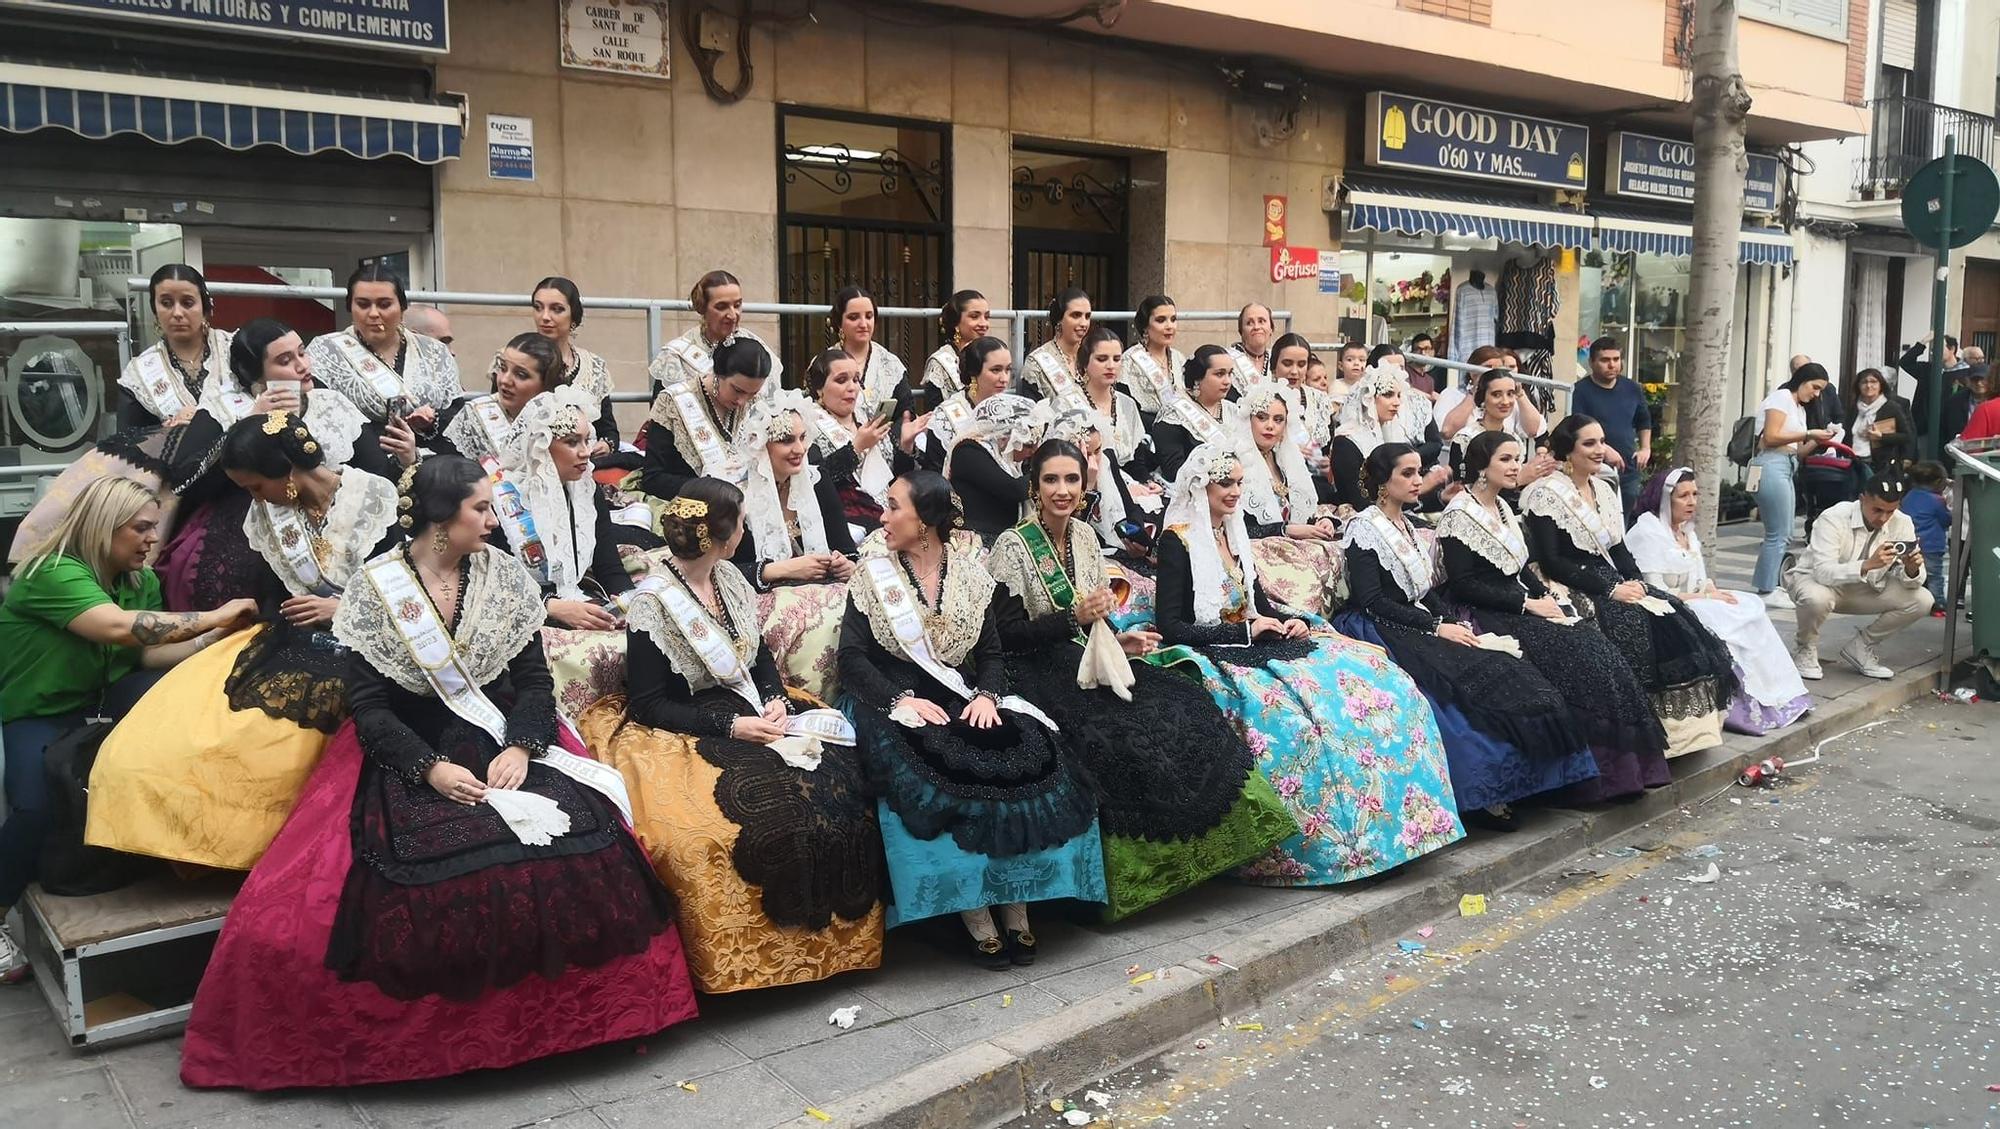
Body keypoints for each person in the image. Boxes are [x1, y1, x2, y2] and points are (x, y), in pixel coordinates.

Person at [179, 456, 697, 1089]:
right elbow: (367, 707)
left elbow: (534, 679)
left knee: (581, 853)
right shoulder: (376, 589)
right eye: (481, 507)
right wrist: (429, 771)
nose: (492, 517)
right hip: (409, 745)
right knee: (428, 883)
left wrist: (525, 746)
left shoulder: (505, 575)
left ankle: (581, 1026)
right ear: (441, 517)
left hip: (503, 736)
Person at [577, 477, 884, 992]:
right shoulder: (653, 603)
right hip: (686, 722)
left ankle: (833, 949)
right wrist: (731, 724)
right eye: (741, 520)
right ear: (726, 534)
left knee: (839, 787)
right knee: (765, 809)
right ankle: (766, 961)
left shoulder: (731, 580)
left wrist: (777, 700)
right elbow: (650, 703)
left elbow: (760, 655)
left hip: (753, 708)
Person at [988, 440, 1296, 919]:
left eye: (1072, 479)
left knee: (1181, 698)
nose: (1063, 490)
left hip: (1091, 654)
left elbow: (1097, 621)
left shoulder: (1087, 538)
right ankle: (1132, 880)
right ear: (1034, 486)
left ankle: (1212, 853)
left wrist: (1119, 640)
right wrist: (1072, 619)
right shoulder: (1013, 545)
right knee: (1111, 732)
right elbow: (1005, 635)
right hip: (1035, 666)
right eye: (1051, 480)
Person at [86, 414, 404, 872]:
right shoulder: (268, 514)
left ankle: (246, 849)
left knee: (265, 740)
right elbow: (275, 593)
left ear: (288, 474)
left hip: (367, 645)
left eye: (257, 487)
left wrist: (343, 612)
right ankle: (187, 845)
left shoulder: (376, 498)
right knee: (188, 725)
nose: (256, 499)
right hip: (288, 640)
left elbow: (407, 589)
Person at [1152, 441, 1462, 884]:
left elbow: (1257, 604)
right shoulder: (1176, 540)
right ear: (1200, 486)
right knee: (1304, 721)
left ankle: (1400, 832)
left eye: (1240, 482)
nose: (1235, 491)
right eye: (1225, 483)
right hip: (1214, 651)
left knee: (1375, 678)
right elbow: (1172, 626)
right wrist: (1245, 632)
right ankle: (1339, 849)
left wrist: (1288, 621)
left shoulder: (1233, 531)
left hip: (1253, 639)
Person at [837, 471, 1106, 967]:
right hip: (891, 698)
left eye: (894, 507)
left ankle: (1017, 903)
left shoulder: (970, 574)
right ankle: (974, 913)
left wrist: (987, 696)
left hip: (962, 695)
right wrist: (900, 701)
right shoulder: (872, 574)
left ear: (926, 521)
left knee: (1030, 752)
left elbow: (990, 653)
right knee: (937, 775)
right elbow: (851, 659)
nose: (883, 516)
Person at [0, 478, 257, 980]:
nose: (151, 540)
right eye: (140, 528)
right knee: (35, 805)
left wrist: (224, 639)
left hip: (97, 706)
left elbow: (145, 652)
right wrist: (211, 615)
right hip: (38, 712)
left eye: (154, 528)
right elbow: (118, 627)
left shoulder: (140, 583)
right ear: (102, 527)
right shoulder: (50, 572)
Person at [1335, 443, 1595, 830]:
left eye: (1419, 471)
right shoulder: (1365, 528)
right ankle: (1486, 796)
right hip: (1383, 626)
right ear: (1383, 483)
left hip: (1418, 618)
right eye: (1406, 473)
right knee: (1454, 693)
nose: (1417, 480)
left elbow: (1426, 590)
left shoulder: (1407, 524)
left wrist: (1448, 621)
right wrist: (1436, 627)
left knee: (1503, 666)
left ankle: (1538, 781)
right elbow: (1372, 600)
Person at [1437, 432, 1670, 803]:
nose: (1517, 466)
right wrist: (1527, 604)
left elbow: (1519, 566)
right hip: (1486, 610)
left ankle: (1626, 772)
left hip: (1519, 601)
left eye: (1517, 458)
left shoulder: (1501, 509)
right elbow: (1464, 584)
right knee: (1569, 655)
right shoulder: (1459, 515)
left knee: (1595, 647)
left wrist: (1546, 595)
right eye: (1507, 459)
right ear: (1482, 467)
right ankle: (1589, 780)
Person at [1521, 416, 1738, 757]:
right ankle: (1640, 737)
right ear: (1568, 450)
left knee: (1671, 611)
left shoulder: (1604, 489)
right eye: (1589, 443)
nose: (1599, 450)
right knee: (1632, 623)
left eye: (1601, 441)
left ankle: (1686, 735)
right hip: (1566, 578)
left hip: (1605, 573)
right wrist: (1611, 591)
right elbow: (1551, 560)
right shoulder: (1545, 493)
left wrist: (1635, 581)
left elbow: (1618, 547)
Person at [154, 319, 400, 612]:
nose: (301, 365)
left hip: (332, 517)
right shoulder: (225, 406)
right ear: (255, 372)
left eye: (301, 352)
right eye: (285, 360)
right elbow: (185, 480)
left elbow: (375, 472)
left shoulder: (330, 402)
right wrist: (246, 423)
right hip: (247, 522)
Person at [1626, 468, 1813, 735]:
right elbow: (1655, 590)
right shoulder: (1647, 531)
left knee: (1748, 607)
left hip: (1693, 600)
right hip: (1663, 608)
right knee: (1720, 616)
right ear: (1665, 499)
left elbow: (1701, 579)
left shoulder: (1686, 533)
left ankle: (1780, 696)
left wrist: (1711, 590)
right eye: (1683, 496)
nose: (1691, 501)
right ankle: (1749, 706)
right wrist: (1706, 596)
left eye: (1695, 494)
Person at [731, 392, 860, 697]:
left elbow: (846, 547)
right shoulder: (738, 495)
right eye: (787, 440)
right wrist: (780, 569)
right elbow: (721, 572)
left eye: (803, 438)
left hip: (823, 589)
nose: (799, 449)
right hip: (761, 598)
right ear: (762, 445)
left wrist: (845, 564)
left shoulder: (815, 480)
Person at [492, 384, 647, 629]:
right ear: (540, 446)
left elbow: (608, 568)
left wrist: (628, 607)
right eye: (572, 442)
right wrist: (549, 606)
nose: (585, 452)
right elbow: (494, 586)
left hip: (581, 601)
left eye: (587, 440)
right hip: (524, 619)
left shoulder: (587, 491)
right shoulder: (500, 501)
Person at [1781, 472, 1934, 680]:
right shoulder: (1833, 517)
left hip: (1866, 588)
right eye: (1877, 510)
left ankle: (1861, 646)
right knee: (1817, 598)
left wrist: (1911, 569)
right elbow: (1824, 572)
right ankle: (1805, 648)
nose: (1883, 518)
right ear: (1862, 499)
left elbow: (1913, 581)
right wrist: (1868, 565)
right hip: (1817, 582)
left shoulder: (1902, 522)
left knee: (1923, 600)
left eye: (1890, 511)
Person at [306, 263, 461, 427]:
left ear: (402, 308)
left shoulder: (434, 351)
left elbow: (456, 414)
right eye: (363, 304)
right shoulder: (326, 351)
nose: (373, 314)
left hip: (429, 448)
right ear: (350, 307)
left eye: (384, 305)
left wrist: (432, 419)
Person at [640, 336, 770, 498]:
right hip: (691, 505)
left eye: (752, 394)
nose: (743, 401)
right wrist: (708, 487)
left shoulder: (755, 403)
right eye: (737, 390)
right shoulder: (672, 403)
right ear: (718, 372)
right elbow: (653, 479)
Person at [1749, 364, 1836, 606]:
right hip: (1771, 464)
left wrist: (1821, 439)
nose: (1816, 394)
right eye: (1814, 387)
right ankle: (1767, 590)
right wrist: (1809, 433)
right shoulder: (1781, 397)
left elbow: (1798, 452)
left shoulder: (1798, 408)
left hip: (1785, 465)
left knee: (1784, 532)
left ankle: (1770, 585)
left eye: (1820, 390)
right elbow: (1771, 437)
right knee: (1777, 533)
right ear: (1802, 379)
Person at [1072, 324, 1161, 543]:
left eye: (1116, 359)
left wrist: (1146, 481)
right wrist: (1127, 488)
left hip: (1128, 482)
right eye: (1102, 359)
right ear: (1085, 362)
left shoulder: (1127, 404)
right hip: (1091, 485)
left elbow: (1135, 459)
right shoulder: (1069, 404)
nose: (1110, 366)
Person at [118, 264, 234, 430]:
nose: (177, 313)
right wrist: (167, 432)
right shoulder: (139, 375)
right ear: (155, 310)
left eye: (187, 303)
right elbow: (127, 443)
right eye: (166, 303)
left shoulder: (233, 349)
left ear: (205, 307)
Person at [435, 332, 572, 463]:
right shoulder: (475, 415)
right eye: (503, 368)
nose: (505, 380)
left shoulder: (564, 420)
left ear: (546, 383)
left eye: (521, 375)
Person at [1329, 367, 1449, 512]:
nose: (1397, 402)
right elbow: (1362, 503)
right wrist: (1422, 487)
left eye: (1399, 395)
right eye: (1388, 395)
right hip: (1361, 519)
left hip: (1391, 516)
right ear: (1368, 398)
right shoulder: (1347, 442)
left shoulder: (1392, 435)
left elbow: (1398, 503)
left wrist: (1440, 496)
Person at [650, 268, 781, 399]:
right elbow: (661, 412)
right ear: (702, 307)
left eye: (737, 305)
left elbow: (772, 405)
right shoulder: (677, 356)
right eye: (721, 307)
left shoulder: (758, 349)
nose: (732, 315)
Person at [805, 346, 894, 531]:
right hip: (845, 520)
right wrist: (856, 448)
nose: (852, 387)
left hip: (885, 512)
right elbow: (814, 479)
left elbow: (892, 472)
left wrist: (907, 445)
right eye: (841, 380)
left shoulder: (864, 416)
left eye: (856, 379)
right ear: (820, 389)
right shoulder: (809, 422)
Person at [945, 393, 1048, 544]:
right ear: (1005, 435)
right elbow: (1014, 490)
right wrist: (1047, 470)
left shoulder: (1008, 460)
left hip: (1003, 537)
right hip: (978, 541)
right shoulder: (968, 451)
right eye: (1028, 445)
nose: (1033, 452)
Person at [530, 276, 619, 451]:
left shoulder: (593, 366)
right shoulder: (515, 361)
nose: (545, 317)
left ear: (573, 317)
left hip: (587, 463)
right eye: (538, 308)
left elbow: (608, 429)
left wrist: (606, 444)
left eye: (557, 309)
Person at [1569, 338, 1651, 514]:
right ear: (1591, 362)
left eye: (1616, 359)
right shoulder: (1580, 391)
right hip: (1595, 469)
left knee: (1624, 523)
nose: (1612, 365)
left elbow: (1643, 420)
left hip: (1629, 469)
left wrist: (1645, 448)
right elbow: (1577, 427)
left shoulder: (1632, 388)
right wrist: (1604, 449)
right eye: (1605, 360)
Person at [1448, 368, 1553, 495]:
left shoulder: (1515, 440)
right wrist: (1519, 480)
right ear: (1482, 398)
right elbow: (1462, 489)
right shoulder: (1465, 438)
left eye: (1510, 394)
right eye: (1496, 395)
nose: (1505, 401)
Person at [921, 336, 1015, 470]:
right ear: (974, 373)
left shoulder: (1013, 410)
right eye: (996, 370)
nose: (1004, 378)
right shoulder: (945, 417)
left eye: (1008, 370)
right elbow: (935, 472)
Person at [1152, 345, 1234, 484]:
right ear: (1198, 378)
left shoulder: (1233, 410)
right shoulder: (1174, 414)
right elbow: (1175, 472)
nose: (1227, 381)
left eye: (1230, 373)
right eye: (1219, 374)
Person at [830, 286, 909, 420]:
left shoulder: (891, 364)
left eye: (869, 316)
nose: (863, 324)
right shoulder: (824, 364)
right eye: (853, 317)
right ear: (839, 322)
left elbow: (906, 413)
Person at [1845, 367, 1914, 482]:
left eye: (1873, 382)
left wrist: (1881, 437)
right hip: (1853, 462)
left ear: (1881, 385)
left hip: (1880, 465)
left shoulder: (1891, 407)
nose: (1868, 386)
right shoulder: (1854, 408)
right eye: (1864, 382)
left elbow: (1907, 436)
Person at [1022, 288, 1092, 400]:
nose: (1084, 323)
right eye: (1076, 315)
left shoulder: (1093, 357)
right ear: (1059, 319)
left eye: (1087, 316)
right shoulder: (1038, 362)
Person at [1120, 294, 1183, 418]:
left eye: (1173, 319)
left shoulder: (1179, 358)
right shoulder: (1130, 359)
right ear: (1145, 326)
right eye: (1161, 320)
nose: (1169, 326)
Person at [1901, 460, 1952, 613]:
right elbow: (1946, 520)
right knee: (1934, 576)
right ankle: (1938, 604)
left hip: (1910, 544)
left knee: (1912, 575)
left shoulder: (1909, 496)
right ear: (1938, 482)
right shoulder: (1937, 500)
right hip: (1932, 544)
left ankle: (1913, 603)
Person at [1898, 333, 1967, 442]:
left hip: (1949, 431)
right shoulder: (1927, 369)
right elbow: (1905, 362)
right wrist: (1923, 343)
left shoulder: (1965, 373)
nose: (1934, 352)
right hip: (1924, 428)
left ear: (1952, 349)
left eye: (1939, 348)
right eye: (1933, 349)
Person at [923, 290, 991, 399]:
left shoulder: (991, 354)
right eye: (974, 316)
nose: (983, 324)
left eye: (987, 317)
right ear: (956, 321)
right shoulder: (940, 363)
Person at [1228, 303, 1275, 392]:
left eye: (1261, 321)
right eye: (1249, 323)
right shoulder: (1228, 359)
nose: (1256, 327)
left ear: (1271, 329)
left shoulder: (1277, 359)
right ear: (1241, 331)